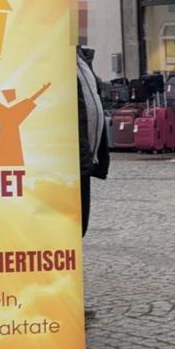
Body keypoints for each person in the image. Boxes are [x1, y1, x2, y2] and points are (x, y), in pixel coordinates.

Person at [76, 47, 108, 234]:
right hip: (70, 161)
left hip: (85, 158)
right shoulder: (52, 59)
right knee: (74, 227)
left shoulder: (80, 58)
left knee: (80, 226)